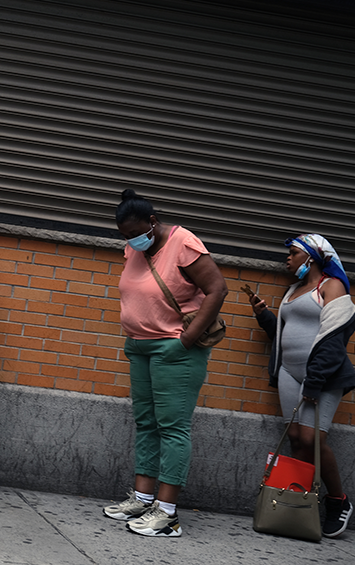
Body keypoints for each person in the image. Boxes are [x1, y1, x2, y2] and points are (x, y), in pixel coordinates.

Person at [102, 189, 227, 537]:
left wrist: (185, 341)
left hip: (174, 349)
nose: (130, 240)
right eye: (124, 235)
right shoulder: (133, 246)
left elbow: (217, 289)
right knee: (146, 422)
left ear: (152, 222)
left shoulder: (182, 242)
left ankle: (167, 514)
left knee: (173, 427)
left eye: (134, 232)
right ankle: (143, 498)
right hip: (139, 347)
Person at [247, 234, 355, 538]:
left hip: (323, 376)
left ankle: (339, 501)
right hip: (289, 372)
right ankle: (293, 506)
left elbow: (335, 340)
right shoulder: (294, 290)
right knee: (297, 438)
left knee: (312, 439)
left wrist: (314, 381)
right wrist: (264, 316)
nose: (287, 258)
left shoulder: (331, 286)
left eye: (293, 253)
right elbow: (285, 335)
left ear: (311, 257)